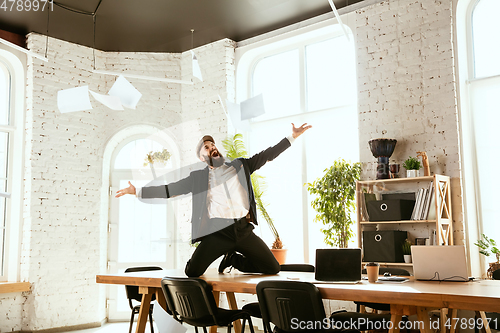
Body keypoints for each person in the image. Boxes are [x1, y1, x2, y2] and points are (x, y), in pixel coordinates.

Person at [115, 123, 311, 277]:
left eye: (212, 145)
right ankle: (225, 255)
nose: (212, 148)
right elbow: (170, 190)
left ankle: (233, 259)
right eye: (207, 148)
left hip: (243, 230)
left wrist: (292, 137)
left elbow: (267, 155)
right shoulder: (198, 179)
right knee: (192, 272)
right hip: (218, 232)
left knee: (272, 268)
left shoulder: (240, 166)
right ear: (202, 158)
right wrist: (137, 191)